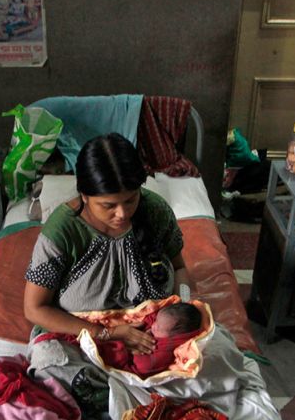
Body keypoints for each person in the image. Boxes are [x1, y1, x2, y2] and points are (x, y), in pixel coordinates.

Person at [24, 133, 190, 356]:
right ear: (84, 195)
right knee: (50, 359)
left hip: (155, 340)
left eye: (131, 200)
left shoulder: (155, 211)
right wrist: (106, 334)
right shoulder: (61, 231)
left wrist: (188, 308)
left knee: (214, 354)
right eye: (108, 205)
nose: (122, 213)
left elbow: (180, 268)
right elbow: (34, 308)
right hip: (84, 339)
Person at [97, 301, 203, 377]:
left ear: (175, 336)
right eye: (157, 321)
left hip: (133, 367)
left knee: (115, 350)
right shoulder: (164, 324)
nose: (154, 326)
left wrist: (131, 352)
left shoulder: (165, 348)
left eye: (159, 327)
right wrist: (145, 324)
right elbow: (153, 317)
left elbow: (144, 367)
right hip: (124, 341)